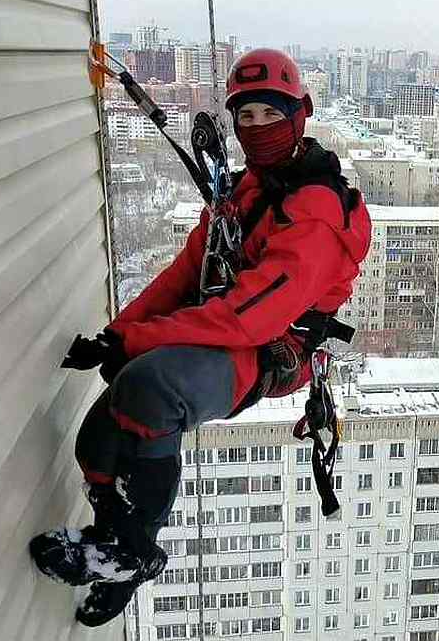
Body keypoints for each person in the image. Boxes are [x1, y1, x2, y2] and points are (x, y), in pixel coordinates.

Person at [29, 48, 371, 627]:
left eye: (271, 113)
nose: (257, 127)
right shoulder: (243, 193)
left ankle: (130, 551)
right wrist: (116, 334)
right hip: (229, 324)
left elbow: (251, 320)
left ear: (301, 113)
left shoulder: (314, 212)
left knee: (153, 386)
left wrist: (136, 344)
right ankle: (118, 544)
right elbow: (185, 275)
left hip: (273, 350)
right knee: (101, 429)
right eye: (246, 116)